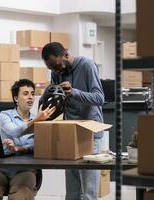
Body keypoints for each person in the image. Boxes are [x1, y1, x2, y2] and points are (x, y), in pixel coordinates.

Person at [41, 42, 105, 200]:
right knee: (71, 192)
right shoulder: (56, 72)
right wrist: (46, 94)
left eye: (56, 66)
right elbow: (57, 98)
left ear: (65, 54)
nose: (56, 72)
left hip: (90, 132)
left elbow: (99, 98)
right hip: (70, 132)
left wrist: (74, 92)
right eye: (51, 69)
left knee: (89, 192)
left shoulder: (87, 65)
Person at [0, 79, 56, 200]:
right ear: (16, 98)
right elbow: (14, 131)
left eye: (32, 93)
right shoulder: (5, 115)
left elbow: (40, 146)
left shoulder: (39, 120)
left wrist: (19, 148)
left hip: (25, 171)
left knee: (22, 193)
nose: (30, 97)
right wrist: (37, 121)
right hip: (1, 170)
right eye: (25, 93)